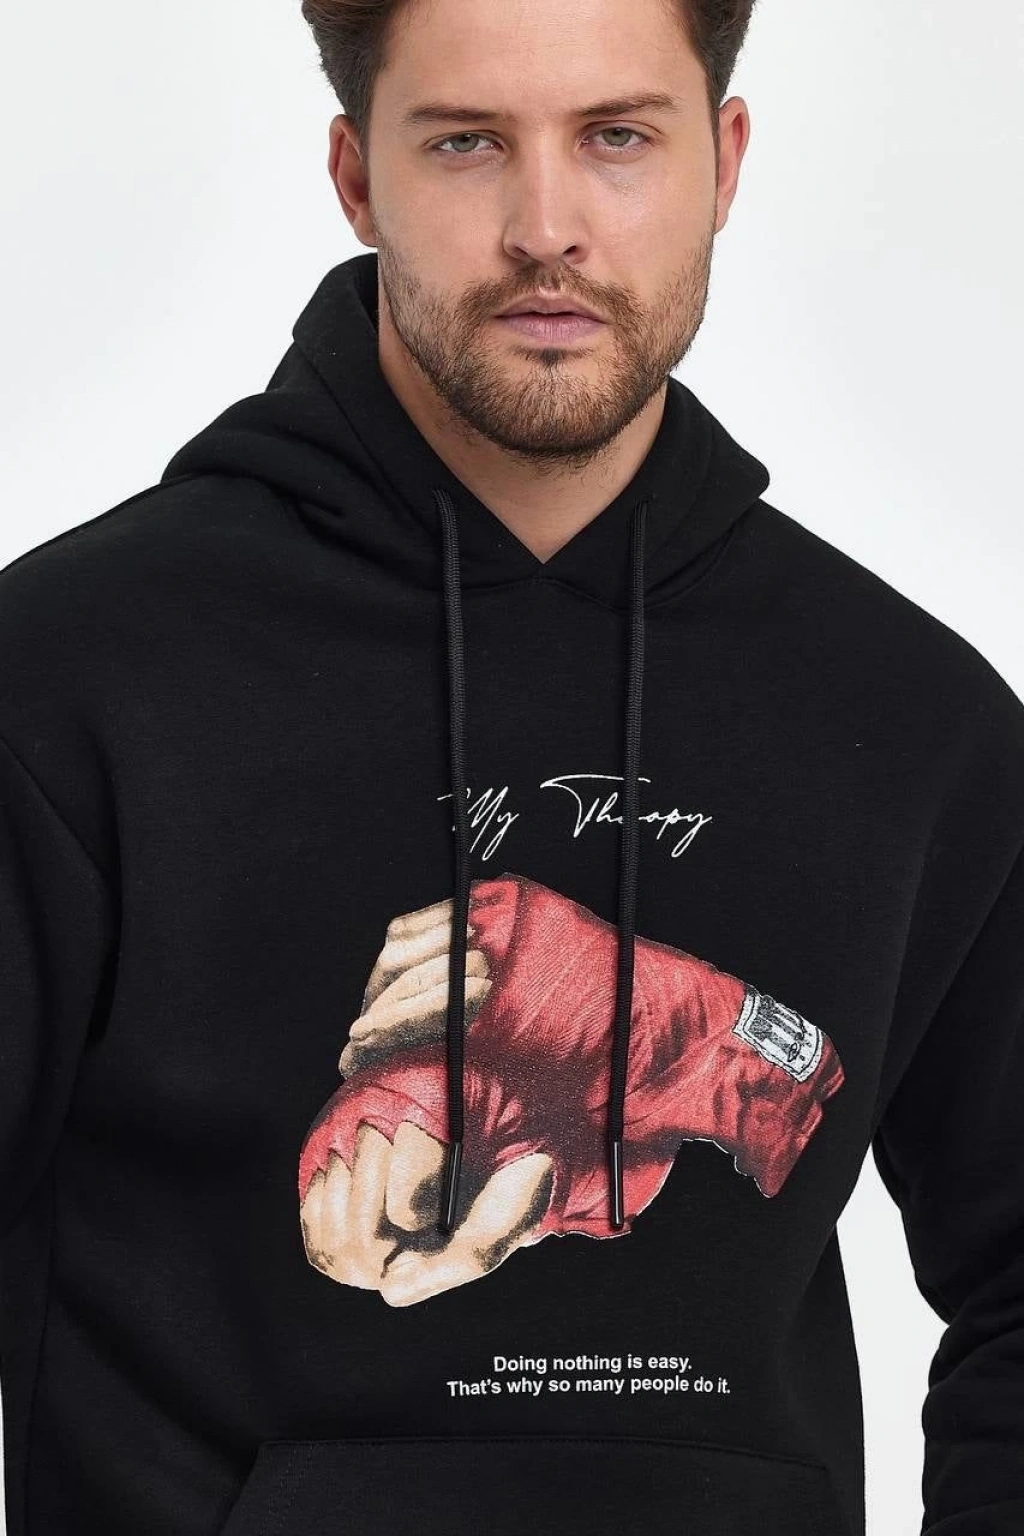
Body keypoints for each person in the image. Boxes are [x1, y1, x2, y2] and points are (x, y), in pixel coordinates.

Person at [1, 0, 1021, 1530]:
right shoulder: (71, 678)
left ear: (725, 161)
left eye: (617, 137)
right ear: (357, 176)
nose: (547, 227)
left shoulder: (914, 720)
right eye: (468, 143)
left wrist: (652, 1027)